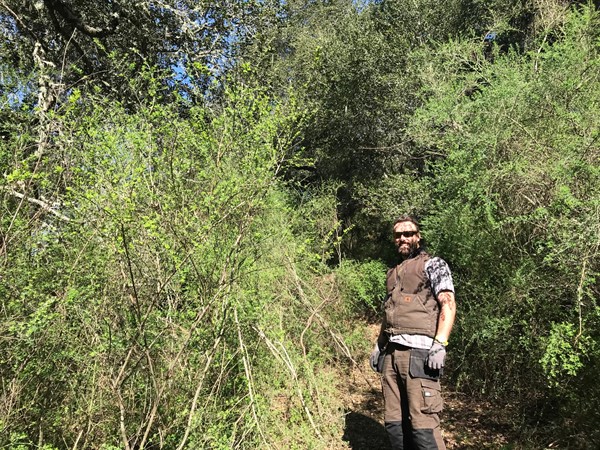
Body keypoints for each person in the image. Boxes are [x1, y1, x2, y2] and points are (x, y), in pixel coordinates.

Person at [370, 215, 456, 450]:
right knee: (395, 424)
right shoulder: (393, 272)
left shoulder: (433, 264)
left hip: (419, 355)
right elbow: (389, 312)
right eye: (398, 235)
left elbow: (447, 302)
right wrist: (379, 346)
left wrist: (440, 343)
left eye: (408, 233)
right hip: (391, 355)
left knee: (423, 425)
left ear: (418, 237)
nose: (403, 238)